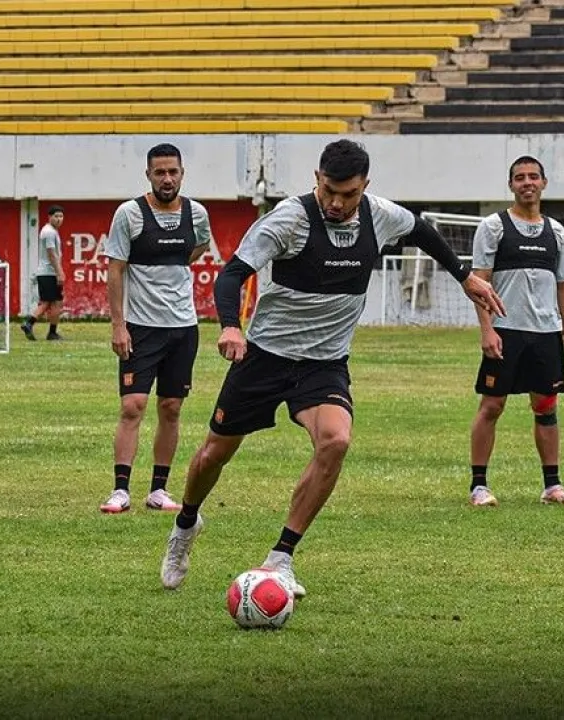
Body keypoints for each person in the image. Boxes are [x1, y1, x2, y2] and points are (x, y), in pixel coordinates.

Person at [159, 139, 505, 594]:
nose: (338, 203)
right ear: (316, 181)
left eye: (349, 194)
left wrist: (465, 277)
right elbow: (232, 274)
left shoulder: (379, 214)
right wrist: (230, 327)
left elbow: (420, 230)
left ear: (365, 187)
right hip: (264, 356)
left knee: (336, 440)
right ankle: (185, 526)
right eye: (329, 192)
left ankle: (281, 558)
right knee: (213, 456)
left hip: (324, 363)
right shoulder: (289, 219)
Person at [99, 143, 214, 515]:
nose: (167, 179)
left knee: (172, 407)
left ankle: (158, 491)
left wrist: (175, 264)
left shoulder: (196, 213)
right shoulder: (129, 214)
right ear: (148, 175)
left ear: (182, 173)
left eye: (173, 172)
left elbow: (200, 247)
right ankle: (120, 490)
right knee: (133, 406)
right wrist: (118, 325)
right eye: (160, 172)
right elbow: (115, 269)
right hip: (140, 328)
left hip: (183, 327)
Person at [467, 156, 564, 508]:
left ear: (544, 183)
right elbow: (479, 282)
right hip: (505, 331)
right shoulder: (494, 227)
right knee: (492, 406)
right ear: (511, 185)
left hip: (545, 333)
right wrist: (487, 330)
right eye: (520, 177)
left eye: (533, 176)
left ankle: (552, 486)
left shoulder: (558, 232)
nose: (527, 182)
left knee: (546, 406)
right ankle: (479, 486)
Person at [21, 205, 66, 341]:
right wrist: (59, 272)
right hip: (49, 273)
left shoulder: (50, 231)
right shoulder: (49, 232)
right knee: (51, 302)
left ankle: (49, 331)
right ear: (49, 217)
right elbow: (51, 254)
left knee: (52, 302)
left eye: (61, 216)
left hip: (48, 272)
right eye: (56, 216)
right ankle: (31, 323)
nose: (59, 219)